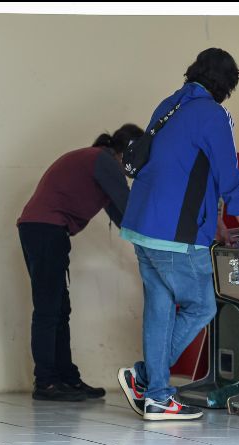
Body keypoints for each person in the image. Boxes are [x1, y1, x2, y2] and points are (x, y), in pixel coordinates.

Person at [117, 48, 239, 421]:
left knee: (160, 308)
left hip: (142, 226)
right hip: (175, 235)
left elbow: (184, 171)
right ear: (227, 84)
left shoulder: (169, 104)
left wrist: (219, 225)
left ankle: (156, 392)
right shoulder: (214, 114)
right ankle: (149, 382)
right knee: (202, 305)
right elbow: (230, 180)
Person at [18, 123, 144, 402]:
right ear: (129, 151)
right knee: (49, 310)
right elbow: (130, 208)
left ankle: (67, 379)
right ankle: (46, 383)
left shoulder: (97, 160)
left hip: (41, 229)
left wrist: (145, 247)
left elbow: (122, 218)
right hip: (45, 230)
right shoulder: (104, 160)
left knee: (59, 308)